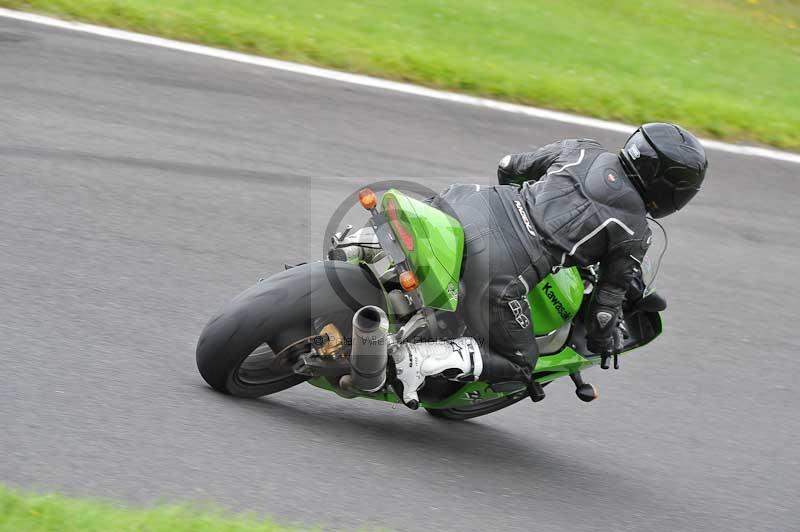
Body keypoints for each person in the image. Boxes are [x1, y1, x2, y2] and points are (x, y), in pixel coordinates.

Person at [391, 123, 708, 408]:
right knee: (521, 364)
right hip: (499, 265)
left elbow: (510, 167)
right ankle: (418, 359)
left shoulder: (584, 149)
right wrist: (605, 340)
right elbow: (604, 309)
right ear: (670, 189)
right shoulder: (634, 231)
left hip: (469, 202)